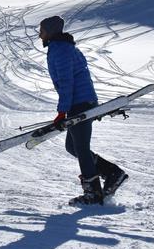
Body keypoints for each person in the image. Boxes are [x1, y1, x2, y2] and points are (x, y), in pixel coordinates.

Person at [39, 16, 127, 205]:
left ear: (50, 32)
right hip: (83, 101)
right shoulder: (64, 47)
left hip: (78, 103)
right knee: (73, 147)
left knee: (80, 148)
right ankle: (112, 173)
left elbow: (66, 83)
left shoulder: (60, 50)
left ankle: (93, 194)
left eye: (42, 31)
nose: (40, 35)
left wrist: (62, 112)